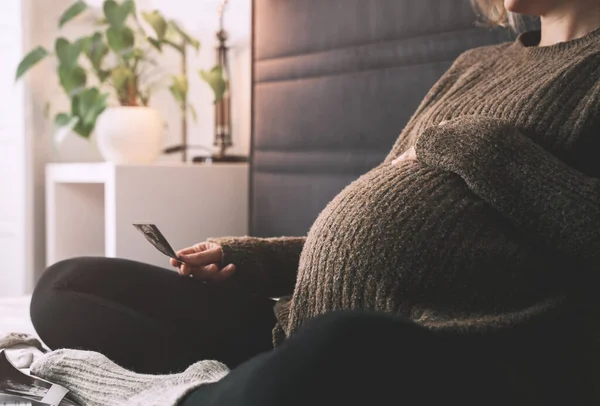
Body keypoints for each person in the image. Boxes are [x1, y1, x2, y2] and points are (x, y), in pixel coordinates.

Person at [29, 0, 600, 404]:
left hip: (443, 340)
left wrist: (468, 141)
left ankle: (181, 396)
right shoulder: (474, 66)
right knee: (66, 287)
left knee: (346, 346)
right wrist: (247, 258)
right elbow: (376, 216)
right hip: (300, 320)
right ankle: (252, 386)